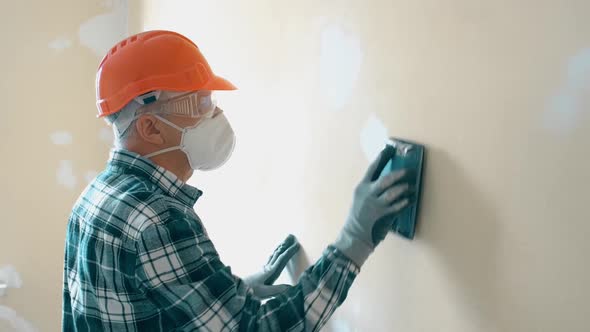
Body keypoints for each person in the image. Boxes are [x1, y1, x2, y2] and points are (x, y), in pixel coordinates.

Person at [62, 30, 413, 331]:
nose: (215, 114)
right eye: (199, 103)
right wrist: (353, 242)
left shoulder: (95, 197)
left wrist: (236, 291)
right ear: (150, 128)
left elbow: (141, 305)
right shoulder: (157, 219)